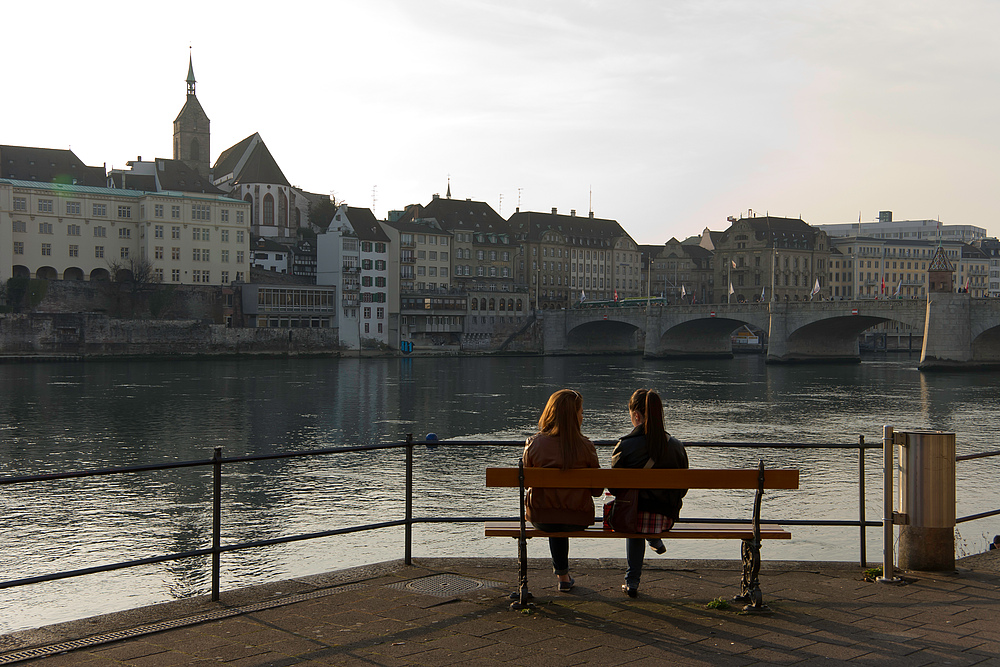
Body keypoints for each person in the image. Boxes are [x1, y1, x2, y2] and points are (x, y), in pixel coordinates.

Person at [611, 388, 688, 598]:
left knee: (633, 514)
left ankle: (632, 581)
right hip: (665, 519)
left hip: (632, 520)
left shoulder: (625, 445)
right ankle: (654, 539)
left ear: (636, 415)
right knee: (640, 515)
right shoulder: (676, 446)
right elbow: (683, 489)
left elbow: (613, 487)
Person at [523, 389, 601, 592]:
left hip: (541, 516)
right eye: (581, 412)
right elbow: (597, 491)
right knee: (561, 513)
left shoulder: (534, 444)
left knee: (553, 512)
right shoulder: (586, 447)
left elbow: (525, 482)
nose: (583, 416)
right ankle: (564, 577)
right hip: (578, 517)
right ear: (574, 416)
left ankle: (563, 576)